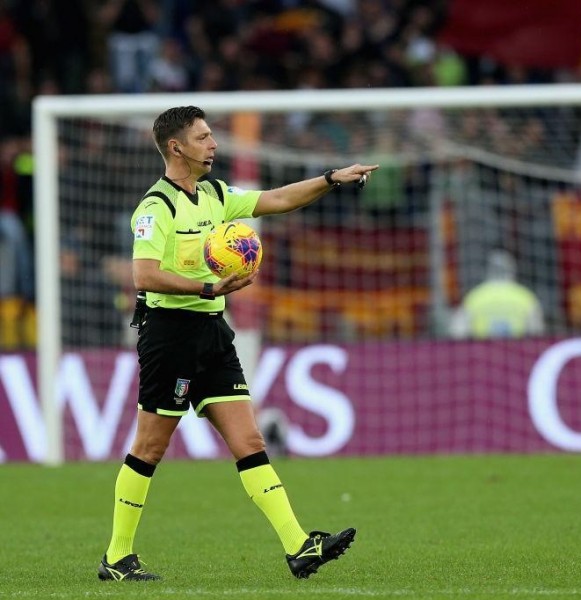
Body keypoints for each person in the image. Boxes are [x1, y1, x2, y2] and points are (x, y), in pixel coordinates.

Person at [98, 105, 378, 582]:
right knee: (149, 447)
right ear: (176, 147)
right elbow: (143, 274)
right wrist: (207, 288)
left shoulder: (215, 195)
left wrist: (331, 178)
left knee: (249, 439)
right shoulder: (155, 207)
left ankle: (299, 547)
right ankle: (117, 557)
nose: (213, 145)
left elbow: (278, 199)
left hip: (212, 334)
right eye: (204, 137)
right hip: (170, 335)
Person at [448, 249, 545, 339]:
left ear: (488, 270)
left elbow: (458, 332)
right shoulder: (525, 296)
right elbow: (536, 331)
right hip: (517, 352)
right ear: (512, 270)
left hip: (482, 352)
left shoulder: (475, 296)